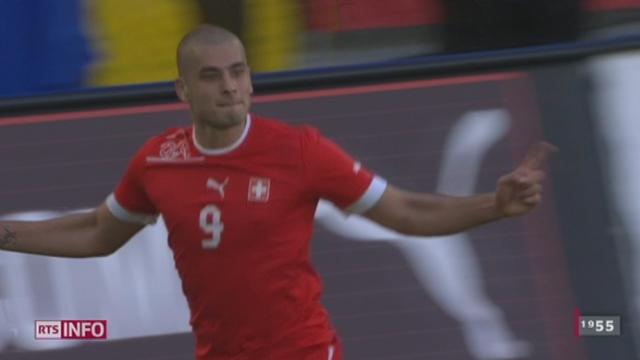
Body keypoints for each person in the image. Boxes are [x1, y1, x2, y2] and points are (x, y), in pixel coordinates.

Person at [0, 25, 555, 360]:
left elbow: (406, 212)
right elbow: (99, 233)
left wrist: (494, 206)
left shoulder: (300, 151)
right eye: (213, 76)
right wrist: (6, 234)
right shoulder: (158, 160)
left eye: (238, 73)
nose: (230, 87)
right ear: (183, 89)